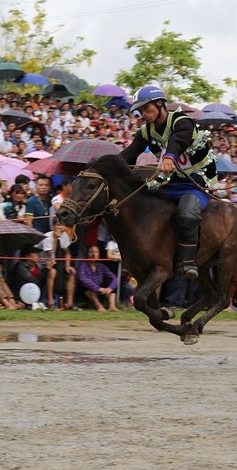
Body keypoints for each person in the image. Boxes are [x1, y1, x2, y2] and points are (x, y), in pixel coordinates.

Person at [119, 86, 217, 279]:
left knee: (188, 213)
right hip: (169, 183)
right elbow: (129, 154)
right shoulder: (146, 132)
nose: (143, 115)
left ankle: (188, 263)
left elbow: (177, 141)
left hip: (196, 183)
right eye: (140, 112)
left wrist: (170, 156)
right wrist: (106, 167)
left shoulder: (182, 122)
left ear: (159, 103)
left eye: (146, 109)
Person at [77, 245, 119, 312]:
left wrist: (109, 288)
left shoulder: (101, 266)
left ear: (98, 254)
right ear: (88, 254)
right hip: (89, 292)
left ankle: (112, 306)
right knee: (85, 287)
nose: (93, 254)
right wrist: (97, 288)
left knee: (110, 282)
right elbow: (83, 279)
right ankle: (99, 306)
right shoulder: (83, 265)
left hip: (101, 292)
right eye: (91, 252)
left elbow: (114, 279)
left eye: (96, 252)